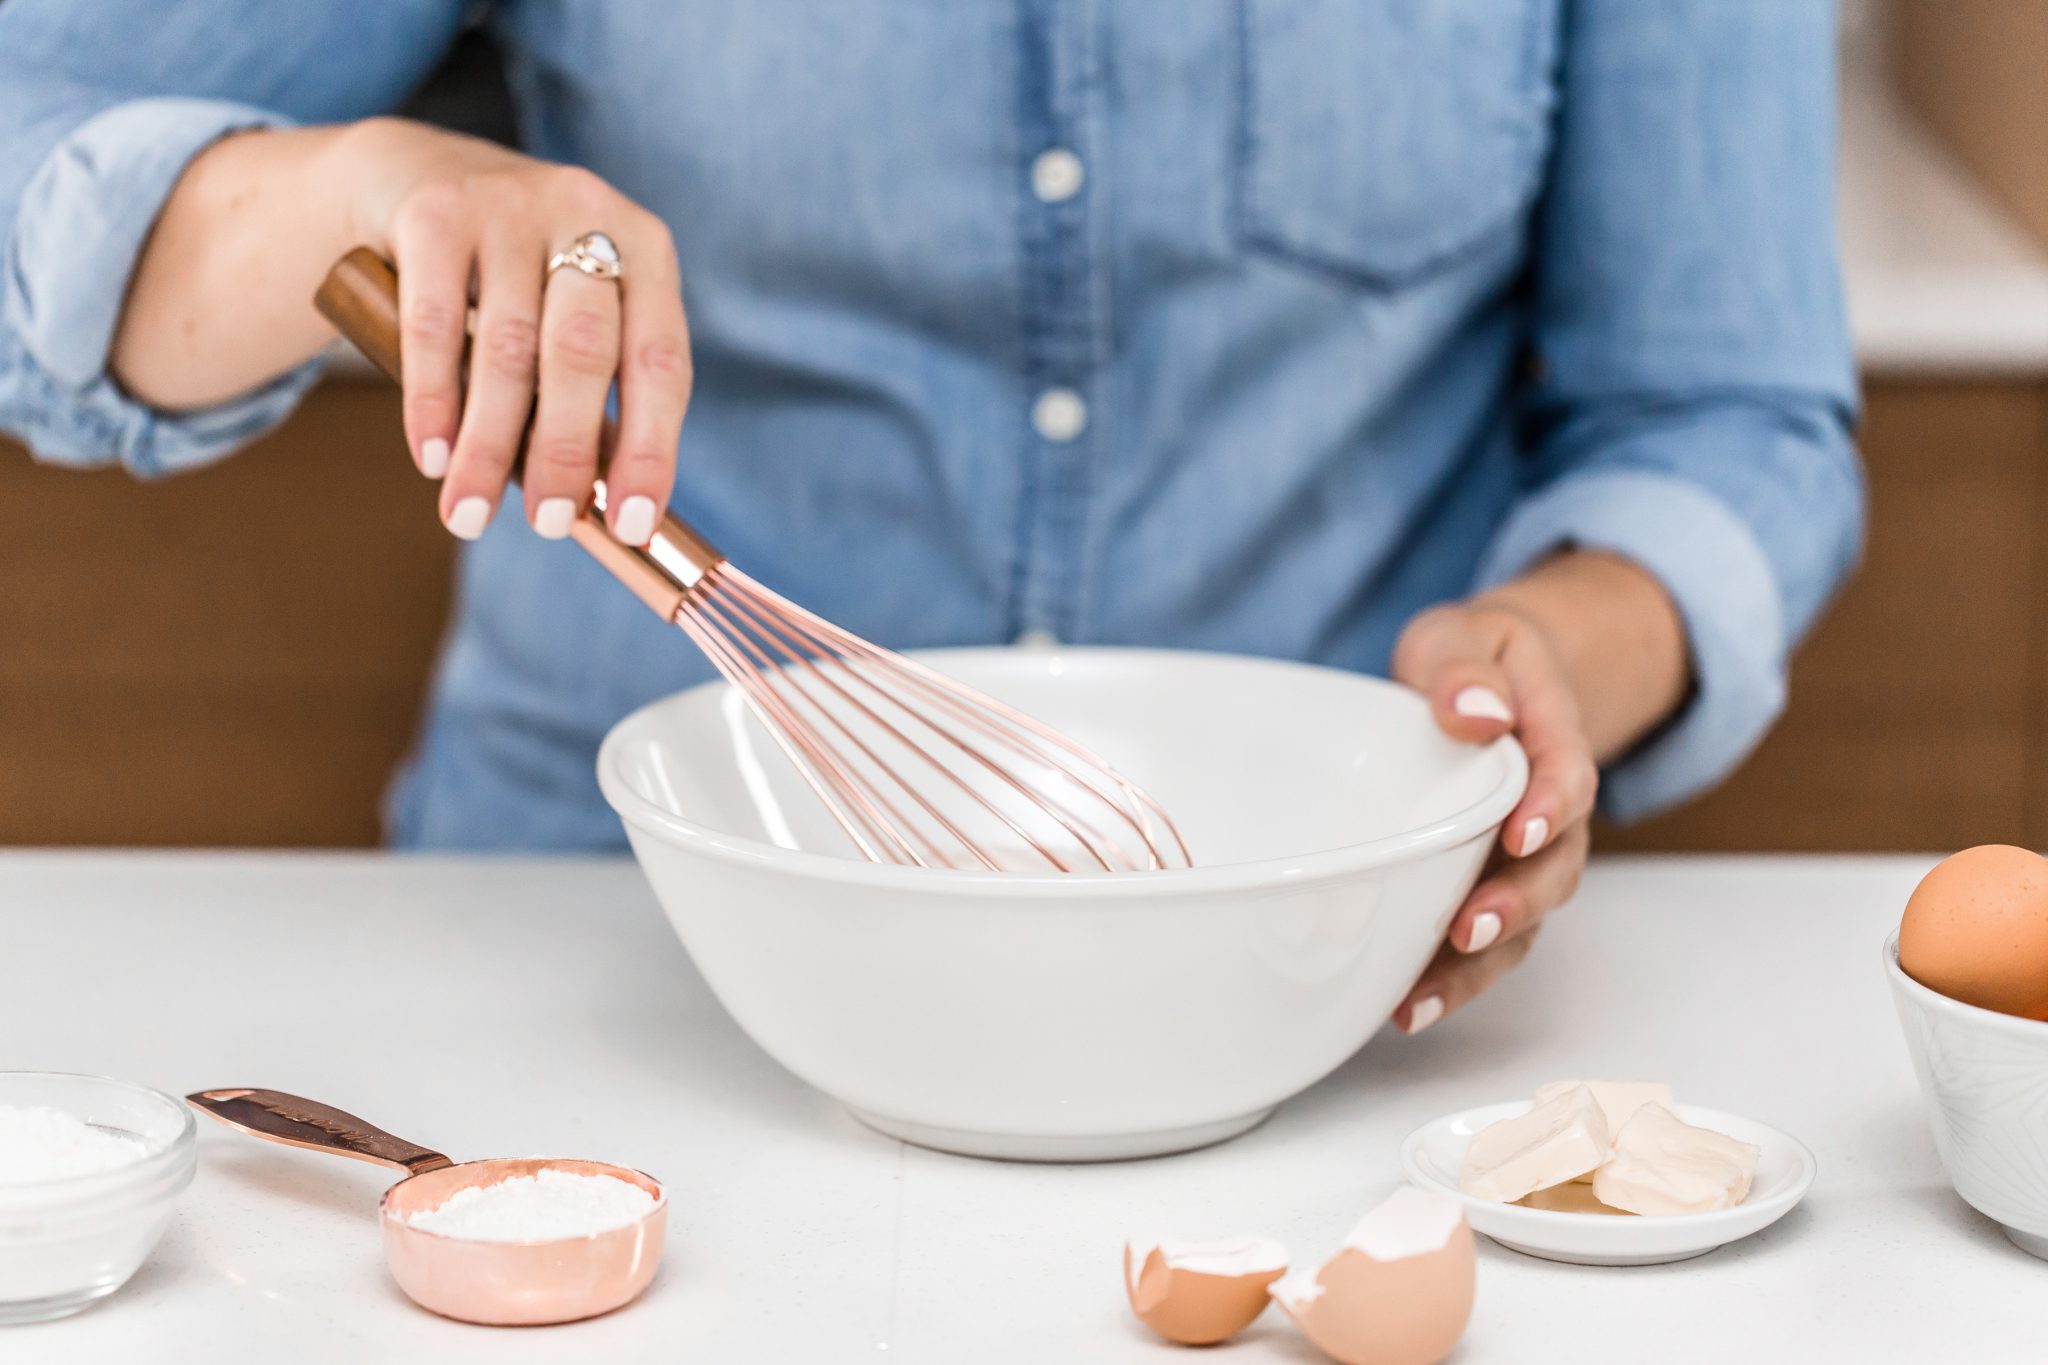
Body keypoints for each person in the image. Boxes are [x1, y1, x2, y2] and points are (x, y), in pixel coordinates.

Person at [0, 3, 1861, 1033]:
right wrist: (354, 184)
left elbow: (1727, 416)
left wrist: (1553, 656)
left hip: (1316, 992)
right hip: (606, 977)